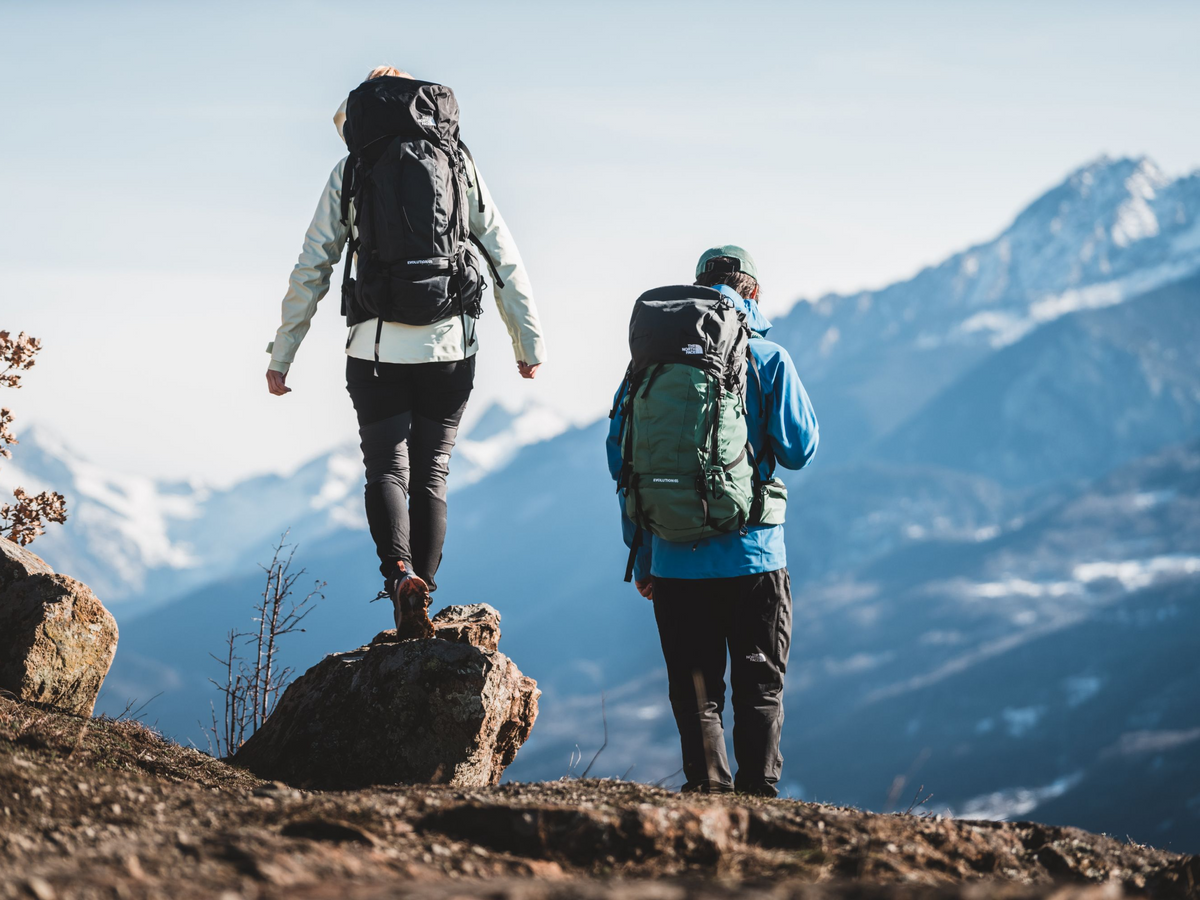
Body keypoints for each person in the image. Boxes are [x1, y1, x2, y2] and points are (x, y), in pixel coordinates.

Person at [266, 65, 547, 638]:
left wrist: (283, 353)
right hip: (451, 346)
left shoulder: (353, 168)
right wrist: (528, 341)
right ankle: (427, 588)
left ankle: (400, 577)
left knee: (387, 467)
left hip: (375, 347)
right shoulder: (457, 162)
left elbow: (312, 265)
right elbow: (503, 255)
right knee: (432, 471)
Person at [606, 246, 818, 796]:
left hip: (675, 561)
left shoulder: (648, 364)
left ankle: (708, 798)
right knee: (759, 688)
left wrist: (644, 556)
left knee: (696, 695)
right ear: (753, 293)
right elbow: (799, 449)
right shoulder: (768, 358)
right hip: (754, 557)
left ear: (698, 288)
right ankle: (758, 802)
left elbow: (623, 463)